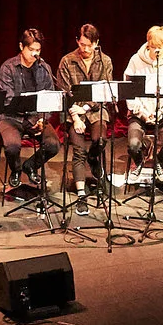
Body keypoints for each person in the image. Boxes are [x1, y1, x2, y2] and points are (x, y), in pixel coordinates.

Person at [56, 23, 118, 201]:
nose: (85, 49)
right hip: (73, 112)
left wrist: (86, 107)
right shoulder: (67, 61)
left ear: (96, 43)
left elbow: (104, 92)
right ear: (77, 41)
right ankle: (81, 193)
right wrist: (76, 118)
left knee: (100, 140)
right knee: (79, 149)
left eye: (89, 45)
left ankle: (93, 158)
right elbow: (64, 92)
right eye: (82, 44)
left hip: (95, 109)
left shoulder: (105, 61)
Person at [0, 27, 60, 194]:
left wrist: (42, 119)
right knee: (12, 146)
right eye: (31, 49)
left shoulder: (44, 68)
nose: (35, 54)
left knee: (53, 145)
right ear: (21, 46)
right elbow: (9, 101)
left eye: (38, 50)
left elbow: (49, 98)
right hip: (10, 117)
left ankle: (30, 166)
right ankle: (16, 170)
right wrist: (31, 120)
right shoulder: (8, 67)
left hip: (36, 117)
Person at [122, 25, 163, 183]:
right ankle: (139, 162)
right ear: (148, 44)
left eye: (160, 47)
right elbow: (129, 91)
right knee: (133, 145)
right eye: (153, 47)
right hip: (140, 114)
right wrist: (142, 113)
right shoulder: (136, 60)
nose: (157, 51)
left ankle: (159, 162)